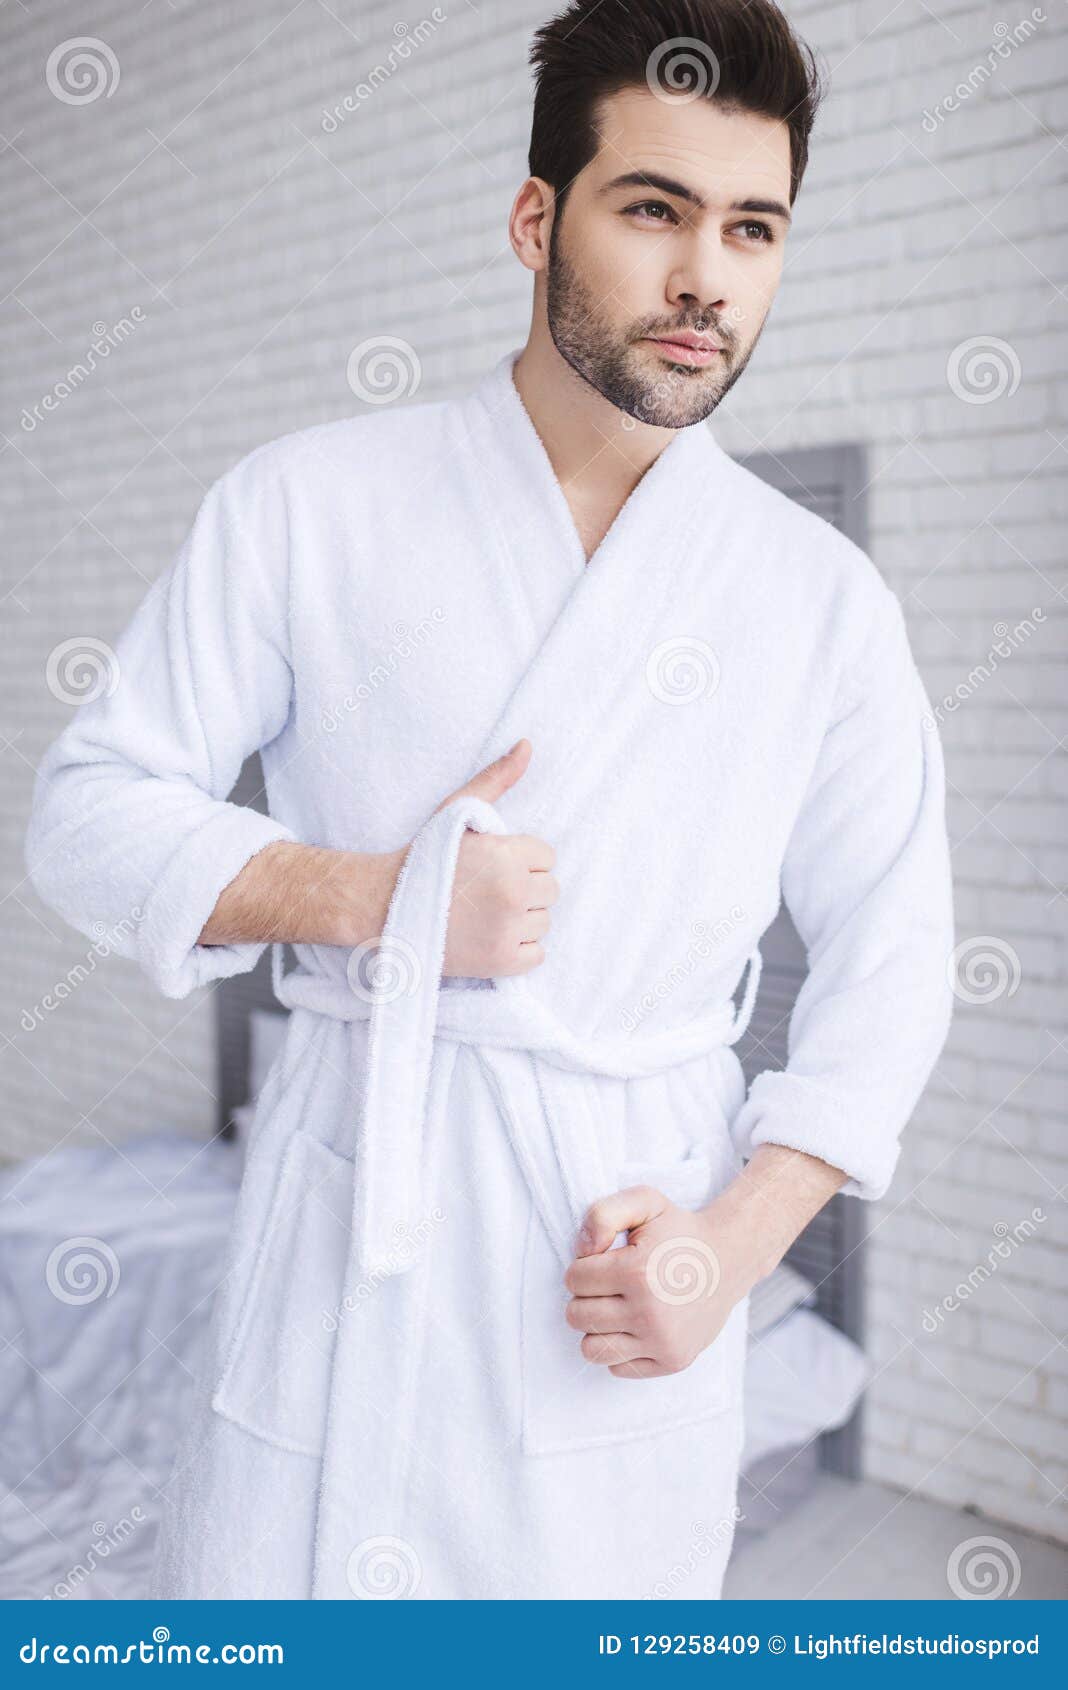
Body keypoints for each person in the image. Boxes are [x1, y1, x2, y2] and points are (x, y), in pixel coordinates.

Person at [24, 0, 955, 1600]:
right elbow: (87, 812)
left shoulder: (821, 598)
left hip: (620, 1230)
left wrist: (730, 1248)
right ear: (537, 217)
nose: (704, 279)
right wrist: (373, 896)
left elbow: (900, 956)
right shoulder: (309, 504)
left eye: (752, 228)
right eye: (653, 208)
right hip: (351, 1194)